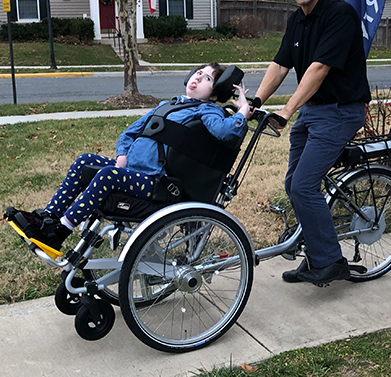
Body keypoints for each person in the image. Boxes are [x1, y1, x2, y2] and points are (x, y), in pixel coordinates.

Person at [6, 62, 250, 252]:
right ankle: (48, 219)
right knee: (84, 161)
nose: (197, 77)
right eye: (197, 72)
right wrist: (122, 154)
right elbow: (128, 133)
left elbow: (225, 132)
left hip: (156, 181)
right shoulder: (167, 105)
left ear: (216, 90)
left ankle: (59, 232)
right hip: (131, 168)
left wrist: (242, 112)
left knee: (107, 175)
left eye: (207, 78)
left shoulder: (207, 110)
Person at [252, 0, 371, 285]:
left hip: (341, 110)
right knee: (294, 184)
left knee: (304, 185)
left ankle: (330, 260)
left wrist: (287, 109)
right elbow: (279, 65)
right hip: (314, 111)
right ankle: (317, 254)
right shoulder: (296, 20)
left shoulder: (339, 14)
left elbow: (319, 69)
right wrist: (256, 102)